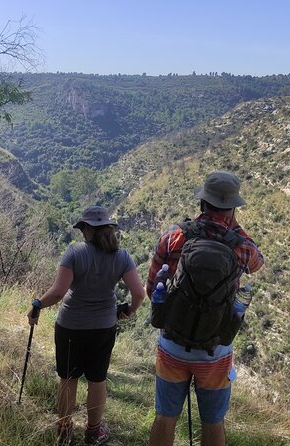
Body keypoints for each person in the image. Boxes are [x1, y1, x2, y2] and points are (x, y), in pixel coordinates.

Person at [146, 171, 264, 446]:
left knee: (165, 417)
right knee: (213, 421)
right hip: (216, 350)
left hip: (172, 344)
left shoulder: (173, 237)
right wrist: (234, 230)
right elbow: (259, 263)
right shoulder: (242, 247)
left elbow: (153, 290)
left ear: (202, 203)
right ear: (233, 208)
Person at [28, 205, 145, 446]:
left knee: (68, 378)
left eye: (83, 228)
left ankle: (64, 431)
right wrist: (129, 311)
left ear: (88, 229)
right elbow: (139, 293)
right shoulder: (121, 257)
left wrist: (38, 304)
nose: (82, 232)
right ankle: (93, 432)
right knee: (97, 379)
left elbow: (59, 292)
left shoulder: (74, 253)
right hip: (103, 326)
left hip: (71, 324)